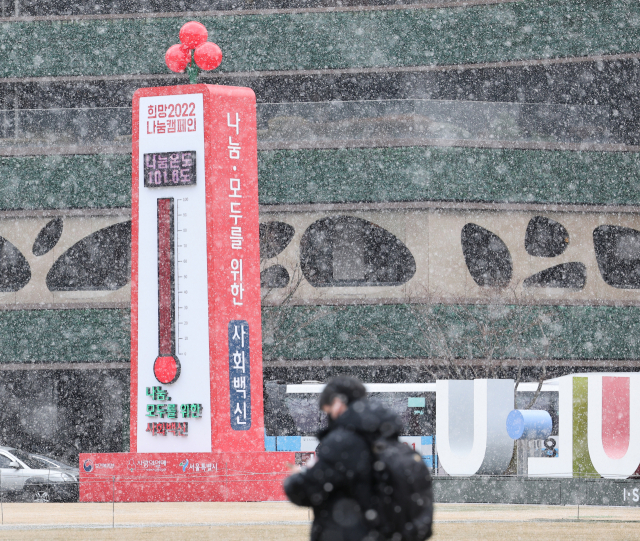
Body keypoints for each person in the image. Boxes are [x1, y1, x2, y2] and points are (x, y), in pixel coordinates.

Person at [284, 376, 403, 541]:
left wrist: (298, 477)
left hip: (347, 532)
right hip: (381, 530)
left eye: (328, 411)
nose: (329, 417)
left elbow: (306, 490)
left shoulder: (343, 442)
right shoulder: (384, 434)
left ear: (338, 403)